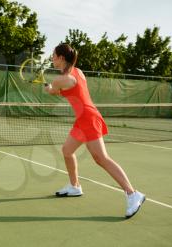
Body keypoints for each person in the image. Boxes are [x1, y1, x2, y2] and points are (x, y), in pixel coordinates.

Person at [45, 43, 145, 218]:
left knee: (101, 158)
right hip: (82, 119)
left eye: (53, 55)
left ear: (61, 58)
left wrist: (49, 89)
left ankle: (132, 193)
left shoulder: (61, 79)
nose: (51, 58)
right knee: (67, 151)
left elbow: (55, 91)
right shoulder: (78, 72)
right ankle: (75, 186)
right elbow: (70, 92)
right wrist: (53, 89)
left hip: (89, 119)